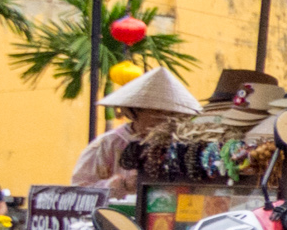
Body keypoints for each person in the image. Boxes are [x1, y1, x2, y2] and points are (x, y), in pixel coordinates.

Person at [72, 69, 200, 197]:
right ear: (134, 112)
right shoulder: (107, 144)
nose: (165, 119)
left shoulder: (185, 145)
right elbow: (78, 193)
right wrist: (118, 185)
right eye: (157, 112)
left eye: (171, 113)